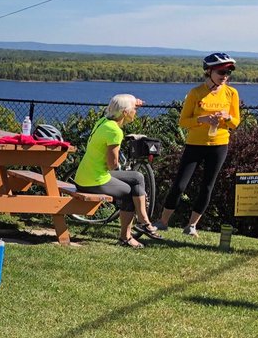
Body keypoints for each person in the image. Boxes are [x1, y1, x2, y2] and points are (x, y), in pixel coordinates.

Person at [156, 53, 241, 237]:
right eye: (221, 71)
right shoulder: (196, 93)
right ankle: (163, 222)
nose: (225, 75)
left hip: (219, 144)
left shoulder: (231, 93)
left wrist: (227, 118)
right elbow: (183, 121)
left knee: (207, 186)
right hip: (195, 144)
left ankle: (192, 225)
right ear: (209, 71)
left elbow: (235, 123)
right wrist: (201, 119)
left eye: (228, 72)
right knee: (180, 185)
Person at [74, 94, 162, 249]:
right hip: (94, 179)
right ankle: (127, 236)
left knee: (137, 177)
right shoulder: (115, 131)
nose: (136, 111)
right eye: (134, 109)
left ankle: (143, 222)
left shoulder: (103, 121)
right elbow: (112, 163)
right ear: (125, 113)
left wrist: (134, 102)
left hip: (85, 175)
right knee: (129, 193)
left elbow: (118, 102)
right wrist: (119, 170)